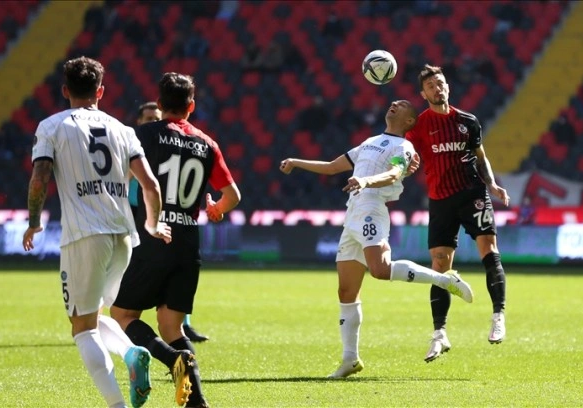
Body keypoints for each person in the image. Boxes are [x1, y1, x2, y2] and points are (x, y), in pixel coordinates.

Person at [279, 99, 474, 379]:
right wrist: (297, 162)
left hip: (372, 208)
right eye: (394, 102)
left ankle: (444, 279)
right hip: (353, 212)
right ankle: (350, 359)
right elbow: (334, 166)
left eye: (402, 104)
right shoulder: (370, 141)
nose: (394, 104)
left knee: (381, 270)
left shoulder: (404, 148)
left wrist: (366, 181)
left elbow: (395, 172)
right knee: (346, 291)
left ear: (410, 121)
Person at [22, 56, 172, 408]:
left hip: (84, 236)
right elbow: (150, 184)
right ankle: (132, 353)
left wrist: (33, 220)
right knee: (95, 316)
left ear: (64, 90)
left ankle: (117, 405)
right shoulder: (124, 129)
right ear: (100, 91)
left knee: (82, 328)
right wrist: (151, 223)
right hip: (123, 237)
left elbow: (39, 177)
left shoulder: (52, 126)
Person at [111, 72, 240, 408]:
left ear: (161, 102)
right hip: (187, 243)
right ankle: (197, 401)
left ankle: (171, 360)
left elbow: (121, 178)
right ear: (191, 105)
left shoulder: (144, 134)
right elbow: (232, 196)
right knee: (173, 327)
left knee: (123, 315)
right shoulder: (207, 143)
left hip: (154, 237)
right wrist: (215, 210)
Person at [405, 64, 510, 363]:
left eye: (440, 83)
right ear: (423, 94)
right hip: (440, 201)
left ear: (447, 86)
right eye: (430, 86)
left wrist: (491, 184)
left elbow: (481, 157)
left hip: (472, 194)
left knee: (488, 250)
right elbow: (408, 155)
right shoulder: (420, 126)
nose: (437, 89)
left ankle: (498, 315)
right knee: (439, 267)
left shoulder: (468, 121)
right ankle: (439, 334)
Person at [132, 101, 210, 344]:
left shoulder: (164, 145)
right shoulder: (136, 146)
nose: (152, 122)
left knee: (169, 275)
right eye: (147, 118)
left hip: (166, 218)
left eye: (155, 117)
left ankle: (179, 327)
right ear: (139, 121)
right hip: (138, 216)